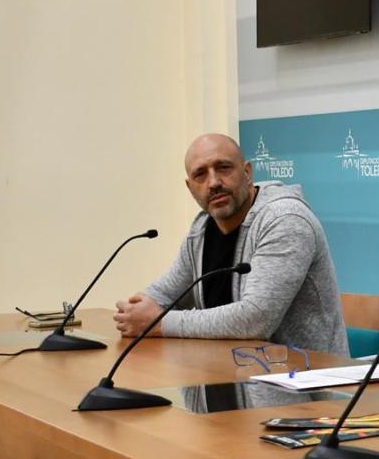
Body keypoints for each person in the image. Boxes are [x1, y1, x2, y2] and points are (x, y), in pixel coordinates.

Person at [114, 133, 347, 353]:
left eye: (223, 168)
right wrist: (136, 311)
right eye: (200, 174)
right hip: (230, 371)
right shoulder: (203, 228)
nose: (213, 182)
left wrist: (159, 323)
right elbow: (164, 293)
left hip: (307, 383)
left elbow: (256, 319)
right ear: (190, 187)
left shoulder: (284, 219)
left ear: (247, 172)